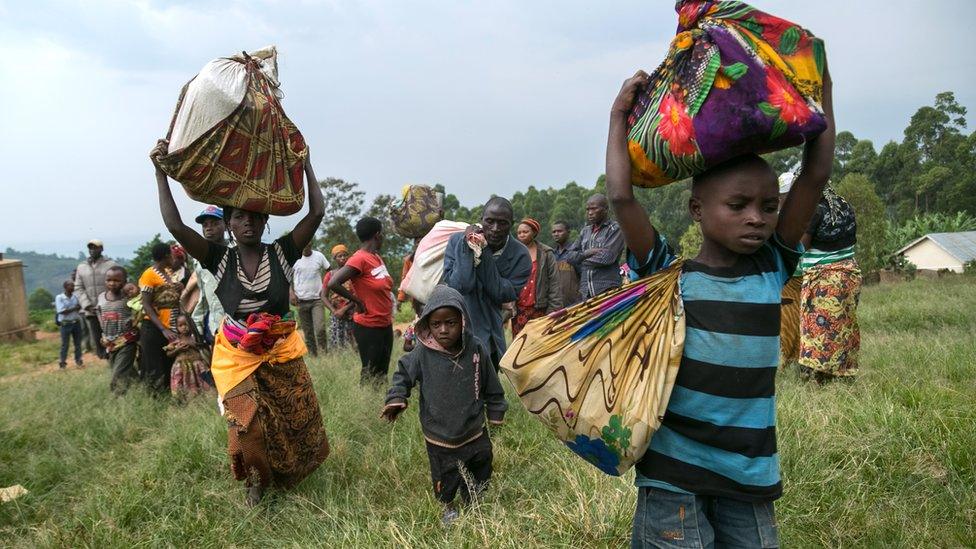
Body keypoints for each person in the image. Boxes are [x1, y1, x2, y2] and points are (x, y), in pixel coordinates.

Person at [605, 67, 834, 548]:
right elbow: (622, 197)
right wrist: (618, 116)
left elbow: (815, 175)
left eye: (769, 206)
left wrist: (821, 94)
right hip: (672, 476)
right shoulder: (668, 273)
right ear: (696, 210)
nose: (757, 217)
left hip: (747, 475)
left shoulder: (773, 265)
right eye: (739, 205)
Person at [151, 138, 329, 506]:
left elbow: (316, 214)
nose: (247, 223)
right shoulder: (218, 258)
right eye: (239, 218)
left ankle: (286, 476)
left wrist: (307, 165)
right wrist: (160, 173)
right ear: (229, 225)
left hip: (280, 350)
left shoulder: (283, 251)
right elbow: (175, 226)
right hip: (236, 353)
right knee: (244, 424)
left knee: (295, 418)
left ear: (265, 221)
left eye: (254, 217)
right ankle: (256, 483)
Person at [381, 285, 507, 526]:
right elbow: (403, 373)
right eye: (436, 324)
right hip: (439, 434)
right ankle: (448, 506)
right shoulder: (422, 353)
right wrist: (397, 396)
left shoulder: (476, 348)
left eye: (450, 323)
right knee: (445, 475)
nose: (443, 330)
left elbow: (492, 383)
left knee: (481, 465)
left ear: (463, 320)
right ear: (427, 325)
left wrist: (496, 410)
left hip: (474, 429)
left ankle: (474, 502)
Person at [442, 197, 532, 369]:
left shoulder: (520, 256)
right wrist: (466, 245)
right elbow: (461, 285)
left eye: (503, 223)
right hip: (454, 331)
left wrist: (483, 252)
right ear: (481, 220)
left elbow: (500, 292)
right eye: (490, 222)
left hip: (488, 337)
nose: (495, 229)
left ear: (511, 224)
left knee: (487, 391)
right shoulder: (458, 242)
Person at [797, 183, 861, 382]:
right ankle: (844, 373)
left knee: (817, 332)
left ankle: (817, 378)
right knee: (843, 328)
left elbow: (801, 246)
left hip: (824, 281)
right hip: (850, 277)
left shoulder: (813, 210)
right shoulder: (844, 206)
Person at [327, 217, 395, 384]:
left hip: (385, 323)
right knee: (370, 371)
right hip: (368, 326)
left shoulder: (376, 257)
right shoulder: (360, 258)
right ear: (377, 235)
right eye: (383, 234)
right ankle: (366, 403)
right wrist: (356, 301)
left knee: (382, 372)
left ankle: (381, 404)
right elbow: (333, 282)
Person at [138, 243, 182, 394]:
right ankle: (156, 400)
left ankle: (168, 398)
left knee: (168, 363)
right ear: (166, 256)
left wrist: (180, 287)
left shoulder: (168, 272)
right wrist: (162, 329)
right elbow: (146, 305)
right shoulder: (148, 275)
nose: (174, 256)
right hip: (154, 328)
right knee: (155, 366)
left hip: (170, 327)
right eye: (171, 254)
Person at [182, 205, 228, 346]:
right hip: (215, 325)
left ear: (226, 225)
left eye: (215, 223)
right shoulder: (199, 259)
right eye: (205, 225)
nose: (209, 228)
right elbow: (203, 294)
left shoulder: (237, 251)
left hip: (237, 325)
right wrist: (198, 324)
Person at [565, 194, 625, 300]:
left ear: (606, 209)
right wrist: (586, 253)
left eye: (594, 209)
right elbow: (569, 256)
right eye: (588, 209)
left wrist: (579, 260)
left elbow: (607, 258)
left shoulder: (614, 229)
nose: (590, 213)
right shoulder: (585, 231)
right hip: (585, 292)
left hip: (607, 290)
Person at [512, 218, 563, 335]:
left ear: (534, 233)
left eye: (525, 232)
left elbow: (554, 282)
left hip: (539, 308)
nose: (521, 235)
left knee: (539, 343)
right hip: (519, 308)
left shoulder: (546, 253)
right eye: (519, 233)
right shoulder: (513, 253)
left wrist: (554, 309)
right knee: (519, 345)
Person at [97, 266, 139, 394]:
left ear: (125, 281)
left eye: (117, 280)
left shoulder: (129, 297)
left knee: (118, 373)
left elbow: (140, 310)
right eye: (109, 280)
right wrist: (103, 331)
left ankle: (117, 398)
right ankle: (142, 387)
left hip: (126, 341)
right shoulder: (101, 297)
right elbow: (99, 312)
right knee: (125, 370)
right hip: (110, 342)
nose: (112, 283)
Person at [74, 239, 118, 360]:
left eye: (95, 247)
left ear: (101, 249)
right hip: (91, 310)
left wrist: (107, 302)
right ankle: (104, 359)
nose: (93, 250)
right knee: (97, 339)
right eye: (90, 248)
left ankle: (114, 360)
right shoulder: (82, 267)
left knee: (112, 337)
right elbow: (78, 287)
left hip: (108, 308)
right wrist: (86, 305)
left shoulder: (111, 264)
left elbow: (117, 284)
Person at [289, 244, 331, 357]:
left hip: (317, 300)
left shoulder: (319, 256)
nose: (304, 246)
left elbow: (329, 272)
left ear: (311, 243)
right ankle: (313, 355)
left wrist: (325, 289)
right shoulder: (294, 258)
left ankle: (324, 354)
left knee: (320, 328)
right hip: (301, 301)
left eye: (307, 243)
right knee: (308, 332)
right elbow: (287, 276)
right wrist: (291, 292)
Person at [164, 314, 215, 399]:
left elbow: (204, 347)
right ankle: (183, 401)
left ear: (191, 324)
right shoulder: (175, 339)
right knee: (183, 386)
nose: (184, 327)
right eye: (180, 325)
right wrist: (178, 349)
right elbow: (168, 353)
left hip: (197, 365)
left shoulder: (196, 337)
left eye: (186, 324)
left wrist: (192, 344)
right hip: (181, 367)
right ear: (176, 327)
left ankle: (205, 400)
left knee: (204, 384)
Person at [322, 244, 356, 350]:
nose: (342, 258)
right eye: (339, 256)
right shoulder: (330, 275)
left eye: (344, 255)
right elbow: (323, 296)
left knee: (353, 340)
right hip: (336, 313)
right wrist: (334, 311)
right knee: (337, 340)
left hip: (353, 311)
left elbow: (358, 295)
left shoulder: (354, 273)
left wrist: (345, 309)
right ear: (334, 258)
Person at [551, 220, 581, 307]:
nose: (556, 234)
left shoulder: (576, 252)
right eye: (554, 232)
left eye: (559, 231)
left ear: (568, 232)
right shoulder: (551, 254)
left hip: (574, 304)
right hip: (555, 304)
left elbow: (584, 277)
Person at [55, 280, 84, 369]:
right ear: (65, 287)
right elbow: (61, 311)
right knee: (65, 344)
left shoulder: (75, 297)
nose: (73, 288)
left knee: (78, 343)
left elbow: (79, 307)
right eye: (70, 286)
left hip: (76, 322)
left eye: (73, 286)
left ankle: (78, 360)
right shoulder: (60, 297)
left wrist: (75, 309)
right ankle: (62, 362)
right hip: (65, 324)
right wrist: (75, 308)